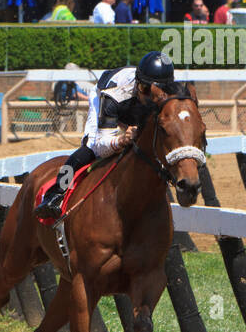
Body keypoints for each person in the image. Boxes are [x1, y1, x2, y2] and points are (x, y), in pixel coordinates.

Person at [35, 51, 177, 221]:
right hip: (106, 97)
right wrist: (121, 139)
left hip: (131, 104)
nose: (148, 97)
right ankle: (55, 193)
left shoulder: (168, 95)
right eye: (144, 89)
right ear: (138, 83)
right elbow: (102, 145)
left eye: (156, 92)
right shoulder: (114, 96)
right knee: (89, 148)